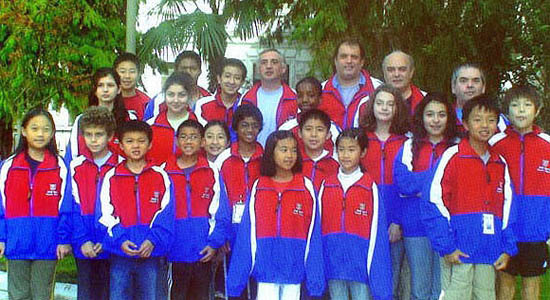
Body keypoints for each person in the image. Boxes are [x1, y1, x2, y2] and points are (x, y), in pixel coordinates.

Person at [423, 94, 517, 300]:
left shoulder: (499, 162)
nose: (485, 125)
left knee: (485, 296)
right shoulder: (452, 157)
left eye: (491, 119)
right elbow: (433, 201)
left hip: (488, 251)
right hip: (458, 250)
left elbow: (509, 208)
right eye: (477, 119)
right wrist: (446, 245)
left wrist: (507, 247)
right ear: (465, 123)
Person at [227, 130, 324, 299]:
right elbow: (247, 234)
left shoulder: (306, 187)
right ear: (271, 153)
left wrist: (315, 280)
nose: (290, 155)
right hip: (266, 269)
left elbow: (313, 236)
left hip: (293, 268)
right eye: (284, 149)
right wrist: (236, 281)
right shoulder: (259, 186)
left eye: (294, 150)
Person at [0, 107, 72, 299]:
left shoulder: (60, 166)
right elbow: (1, 206)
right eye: (34, 128)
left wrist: (63, 239)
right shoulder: (8, 166)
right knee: (18, 295)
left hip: (47, 244)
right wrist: (2, 237)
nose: (40, 134)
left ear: (52, 133)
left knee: (42, 294)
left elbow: (66, 207)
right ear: (24, 131)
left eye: (46, 129)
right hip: (17, 243)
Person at [98, 120, 174, 300]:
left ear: (150, 144)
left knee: (152, 296)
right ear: (121, 145)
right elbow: (104, 212)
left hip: (151, 253)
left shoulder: (160, 176)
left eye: (141, 141)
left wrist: (152, 240)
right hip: (121, 252)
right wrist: (120, 239)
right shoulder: (112, 176)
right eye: (130, 141)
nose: (136, 145)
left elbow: (167, 212)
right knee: (119, 295)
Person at [393, 93, 459, 300]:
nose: (435, 120)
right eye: (430, 114)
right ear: (421, 117)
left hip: (448, 227)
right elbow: (403, 182)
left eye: (441, 114)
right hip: (416, 224)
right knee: (419, 289)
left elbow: (460, 185)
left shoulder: (457, 147)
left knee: (441, 290)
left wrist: (420, 186)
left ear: (449, 118)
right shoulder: (410, 146)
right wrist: (439, 182)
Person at [489, 86, 549, 300]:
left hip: (536, 231)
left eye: (527, 105)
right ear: (507, 111)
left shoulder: (547, 145)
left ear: (537, 110)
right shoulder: (495, 144)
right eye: (515, 105)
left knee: (531, 287)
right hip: (506, 231)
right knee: (504, 285)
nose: (521, 110)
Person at [319, 128, 392, 300]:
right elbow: (319, 227)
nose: (345, 155)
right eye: (341, 150)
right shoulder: (327, 185)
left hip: (360, 263)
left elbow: (377, 231)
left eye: (351, 150)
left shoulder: (369, 187)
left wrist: (373, 265)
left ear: (363, 152)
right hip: (333, 263)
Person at [163, 119, 229, 300]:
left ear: (202, 142)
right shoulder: (164, 172)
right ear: (177, 141)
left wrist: (214, 242)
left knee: (201, 295)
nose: (188, 141)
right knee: (176, 294)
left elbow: (220, 210)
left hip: (203, 250)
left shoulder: (211, 171)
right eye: (183, 137)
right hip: (174, 252)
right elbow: (158, 214)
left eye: (193, 137)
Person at [359, 85, 409, 298]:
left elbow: (406, 188)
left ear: (398, 109)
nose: (385, 108)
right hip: (364, 219)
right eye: (380, 103)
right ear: (372, 106)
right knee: (365, 279)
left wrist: (397, 221)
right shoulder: (361, 140)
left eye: (391, 104)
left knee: (391, 279)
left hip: (394, 221)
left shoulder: (406, 142)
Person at [68, 106, 123, 300]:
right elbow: (72, 207)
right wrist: (82, 240)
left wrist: (108, 240)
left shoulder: (121, 166)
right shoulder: (75, 166)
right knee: (86, 293)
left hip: (112, 244)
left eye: (99, 134)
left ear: (110, 136)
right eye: (89, 135)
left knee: (110, 293)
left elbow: (123, 209)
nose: (93, 140)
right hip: (84, 245)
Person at [215, 104, 264, 247]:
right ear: (236, 127)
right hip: (230, 228)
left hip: (259, 228)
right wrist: (221, 234)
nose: (250, 130)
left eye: (254, 125)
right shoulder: (223, 159)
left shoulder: (267, 158)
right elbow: (217, 197)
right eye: (245, 125)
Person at [65, 67, 136, 161]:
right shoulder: (81, 120)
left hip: (120, 173)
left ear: (119, 89)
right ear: (95, 90)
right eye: (100, 85)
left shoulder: (130, 119)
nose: (105, 90)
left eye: (110, 85)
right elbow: (72, 155)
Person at [319, 38, 383, 129]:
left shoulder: (378, 89)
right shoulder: (320, 91)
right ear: (335, 61)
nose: (349, 61)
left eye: (354, 57)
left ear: (362, 62)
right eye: (343, 56)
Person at [240, 49, 298, 146]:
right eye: (264, 62)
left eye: (274, 62)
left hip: (283, 158)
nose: (269, 66)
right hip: (253, 157)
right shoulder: (245, 99)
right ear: (258, 69)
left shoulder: (295, 98)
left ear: (283, 69)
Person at [279, 77, 341, 154]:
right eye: (300, 96)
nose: (305, 100)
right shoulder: (286, 128)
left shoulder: (332, 129)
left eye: (311, 96)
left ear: (320, 99)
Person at [143, 50, 211, 121]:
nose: (188, 72)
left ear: (200, 71)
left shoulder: (208, 100)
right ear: (176, 70)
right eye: (184, 68)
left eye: (193, 69)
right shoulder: (158, 101)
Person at [147, 72, 197, 165]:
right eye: (171, 94)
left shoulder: (200, 125)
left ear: (189, 96)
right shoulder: (150, 126)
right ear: (164, 95)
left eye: (182, 95)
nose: (176, 100)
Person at [195, 58, 247, 141]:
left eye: (237, 78)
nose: (231, 81)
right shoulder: (203, 105)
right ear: (219, 79)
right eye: (227, 76)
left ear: (242, 82)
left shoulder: (246, 106)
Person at [451, 63, 507, 133]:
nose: (470, 85)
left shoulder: (500, 121)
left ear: (483, 87)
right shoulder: (442, 117)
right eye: (463, 81)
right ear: (453, 87)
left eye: (476, 81)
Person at [298, 109, 339, 191]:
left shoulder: (336, 163)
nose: (313, 134)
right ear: (300, 133)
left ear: (328, 135)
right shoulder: (294, 160)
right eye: (308, 129)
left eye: (320, 130)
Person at [382, 50, 426, 115]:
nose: (396, 74)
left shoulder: (425, 100)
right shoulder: (372, 102)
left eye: (402, 69)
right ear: (384, 73)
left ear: (411, 72)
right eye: (391, 70)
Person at [113, 52, 150, 120]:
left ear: (139, 74)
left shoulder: (146, 103)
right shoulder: (108, 98)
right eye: (122, 71)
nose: (127, 76)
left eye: (132, 71)